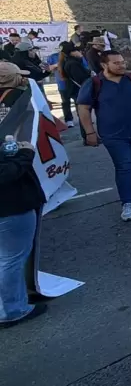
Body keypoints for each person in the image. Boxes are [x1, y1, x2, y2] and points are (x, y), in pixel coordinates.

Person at [77, 50, 131, 222]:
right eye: (116, 63)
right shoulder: (94, 83)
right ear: (104, 65)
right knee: (124, 165)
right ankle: (127, 203)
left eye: (123, 62)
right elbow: (83, 108)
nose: (122, 65)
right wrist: (90, 132)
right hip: (113, 135)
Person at [0, 134, 46, 328]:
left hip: (10, 208)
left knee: (7, 258)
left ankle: (13, 301)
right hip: (10, 208)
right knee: (12, 259)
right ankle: (13, 309)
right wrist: (25, 154)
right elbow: (6, 174)